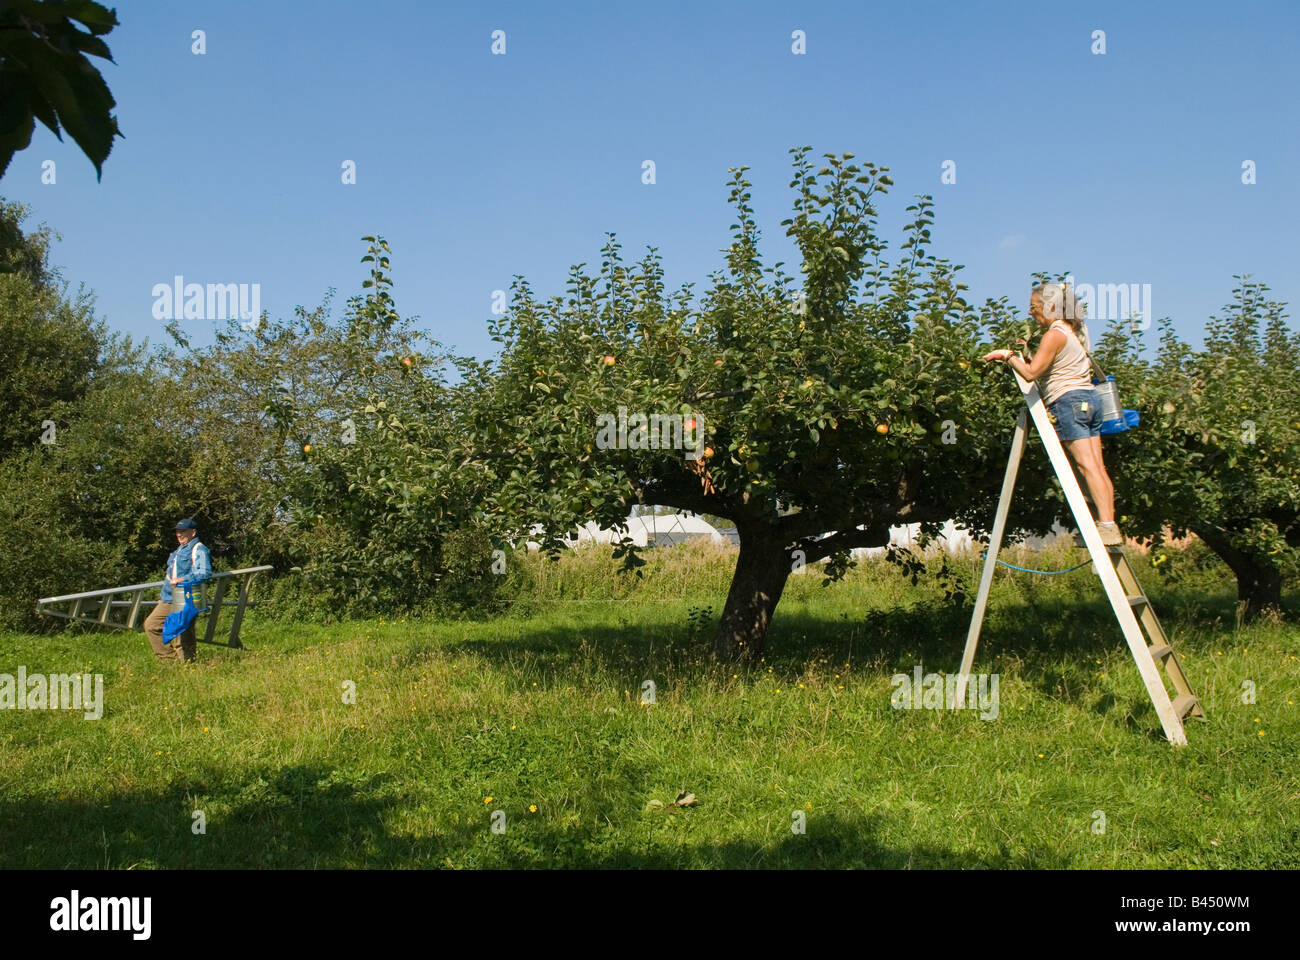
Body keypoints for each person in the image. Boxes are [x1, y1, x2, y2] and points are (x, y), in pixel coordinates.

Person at [982, 282, 1123, 546]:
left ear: (1051, 306)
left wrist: (1007, 356)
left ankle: (1106, 527)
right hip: (1088, 400)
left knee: (1086, 466)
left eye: (1034, 307)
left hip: (1069, 401)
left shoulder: (1054, 334)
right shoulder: (1071, 332)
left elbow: (1032, 373)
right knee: (1095, 467)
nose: (1031, 312)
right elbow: (1049, 365)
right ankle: (1107, 524)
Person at [143, 518, 212, 662]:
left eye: (183, 531)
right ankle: (171, 661)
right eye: (177, 532)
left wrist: (182, 580)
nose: (179, 535)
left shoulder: (199, 548)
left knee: (183, 632)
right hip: (170, 596)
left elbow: (204, 572)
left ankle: (186, 664)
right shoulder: (180, 549)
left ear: (192, 533)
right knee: (152, 625)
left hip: (186, 594)